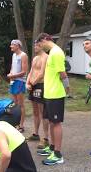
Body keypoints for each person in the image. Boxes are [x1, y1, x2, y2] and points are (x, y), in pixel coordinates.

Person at [34, 33, 66, 165]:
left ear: (45, 40)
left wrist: (65, 88)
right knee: (52, 122)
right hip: (49, 94)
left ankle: (58, 154)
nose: (40, 47)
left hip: (55, 94)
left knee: (56, 123)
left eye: (40, 44)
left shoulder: (57, 52)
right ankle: (52, 148)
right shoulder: (52, 52)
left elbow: (62, 75)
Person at [26, 41, 49, 147]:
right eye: (34, 45)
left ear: (42, 46)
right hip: (32, 85)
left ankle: (46, 138)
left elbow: (42, 73)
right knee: (35, 111)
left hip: (40, 85)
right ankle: (36, 134)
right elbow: (31, 71)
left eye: (37, 45)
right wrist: (28, 83)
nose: (35, 47)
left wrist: (32, 83)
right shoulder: (35, 58)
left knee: (43, 112)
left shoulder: (46, 57)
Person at [7, 39, 28, 133]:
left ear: (18, 46)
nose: (11, 46)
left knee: (20, 104)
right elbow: (12, 67)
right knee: (14, 104)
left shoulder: (23, 55)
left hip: (20, 81)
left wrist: (13, 76)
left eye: (12, 45)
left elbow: (24, 71)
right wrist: (10, 74)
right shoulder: (14, 55)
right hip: (13, 81)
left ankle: (21, 125)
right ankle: (16, 123)